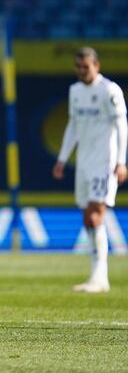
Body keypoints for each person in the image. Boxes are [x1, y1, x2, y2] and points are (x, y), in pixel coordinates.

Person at [52, 47, 127, 293]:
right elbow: (73, 125)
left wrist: (121, 161)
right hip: (83, 163)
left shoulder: (109, 90)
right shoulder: (75, 91)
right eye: (79, 67)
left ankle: (100, 277)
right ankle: (97, 275)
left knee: (96, 215)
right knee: (87, 218)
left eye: (87, 66)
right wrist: (63, 158)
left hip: (104, 163)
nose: (82, 71)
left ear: (97, 65)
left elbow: (121, 125)